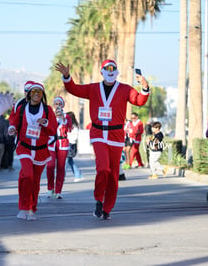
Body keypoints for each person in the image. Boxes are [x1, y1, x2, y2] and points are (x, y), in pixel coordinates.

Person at [55, 60, 150, 220]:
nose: (110, 71)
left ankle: (107, 209)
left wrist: (145, 87)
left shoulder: (125, 89)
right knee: (103, 168)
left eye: (113, 68)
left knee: (113, 176)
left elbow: (139, 100)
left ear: (117, 71)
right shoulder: (93, 88)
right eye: (107, 68)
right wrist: (66, 76)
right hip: (99, 134)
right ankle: (99, 199)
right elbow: (74, 89)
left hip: (116, 137)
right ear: (102, 71)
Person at [8, 82, 57, 220]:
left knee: (34, 181)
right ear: (29, 94)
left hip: (41, 150)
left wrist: (46, 123)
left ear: (43, 95)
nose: (36, 94)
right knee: (28, 175)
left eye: (39, 92)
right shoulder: (21, 108)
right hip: (25, 148)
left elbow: (53, 130)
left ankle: (31, 208)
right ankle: (23, 207)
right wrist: (12, 128)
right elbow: (13, 121)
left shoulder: (47, 110)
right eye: (34, 92)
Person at [46, 96, 72, 199]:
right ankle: (50, 188)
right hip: (51, 143)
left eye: (59, 104)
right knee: (50, 166)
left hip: (63, 142)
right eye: (56, 104)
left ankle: (58, 191)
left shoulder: (67, 116)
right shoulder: (49, 115)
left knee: (61, 168)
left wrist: (63, 118)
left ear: (62, 105)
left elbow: (69, 128)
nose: (58, 106)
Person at [66, 111, 84, 182]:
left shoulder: (74, 127)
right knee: (70, 161)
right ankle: (78, 175)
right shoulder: (69, 125)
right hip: (69, 144)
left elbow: (74, 137)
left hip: (70, 144)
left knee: (65, 161)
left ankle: (61, 177)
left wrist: (67, 138)